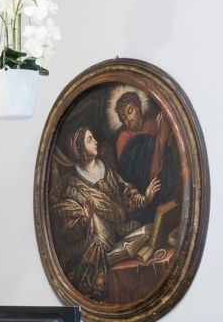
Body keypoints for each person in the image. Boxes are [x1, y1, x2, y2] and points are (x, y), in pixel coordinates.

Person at [50, 127, 166, 301]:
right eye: (89, 140)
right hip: (96, 243)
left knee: (149, 231)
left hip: (120, 230)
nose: (95, 141)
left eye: (93, 137)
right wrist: (85, 218)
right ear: (80, 150)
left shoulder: (105, 169)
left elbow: (125, 189)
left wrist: (145, 199)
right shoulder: (72, 185)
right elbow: (65, 227)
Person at [112, 90, 179, 224]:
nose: (128, 119)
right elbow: (134, 169)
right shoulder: (124, 137)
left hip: (166, 185)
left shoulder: (153, 123)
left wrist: (166, 141)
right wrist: (161, 140)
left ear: (138, 106)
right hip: (143, 194)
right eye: (123, 118)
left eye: (130, 111)